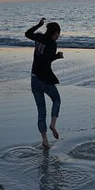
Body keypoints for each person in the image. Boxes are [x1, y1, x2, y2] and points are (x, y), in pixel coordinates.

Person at [25, 17, 64, 149]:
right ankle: (53, 124)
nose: (59, 36)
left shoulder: (40, 38)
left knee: (41, 111)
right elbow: (47, 61)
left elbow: (27, 34)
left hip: (34, 78)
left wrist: (38, 25)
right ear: (55, 33)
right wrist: (57, 56)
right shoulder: (52, 44)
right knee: (56, 100)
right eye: (59, 33)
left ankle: (45, 140)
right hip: (45, 79)